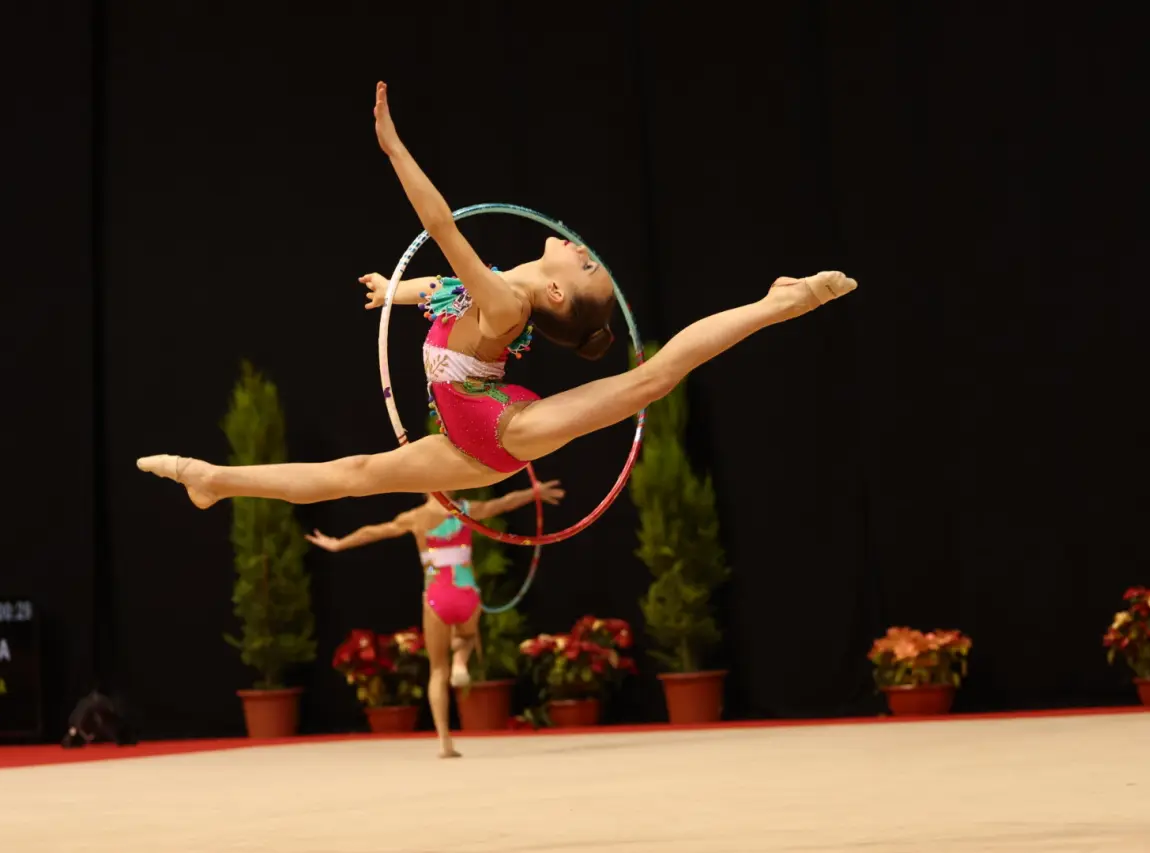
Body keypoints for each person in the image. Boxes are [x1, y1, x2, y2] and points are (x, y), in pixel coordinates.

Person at [136, 80, 857, 514]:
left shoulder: (506, 307)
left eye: (589, 268)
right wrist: (394, 289)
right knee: (352, 476)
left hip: (505, 429)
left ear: (556, 289)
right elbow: (442, 289)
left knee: (652, 378)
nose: (584, 249)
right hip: (467, 436)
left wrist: (394, 151)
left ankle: (778, 302)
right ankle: (213, 480)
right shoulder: (493, 292)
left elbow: (442, 229)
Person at [304, 482, 564, 757]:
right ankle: (461, 662)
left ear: (425, 489)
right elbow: (502, 503)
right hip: (466, 592)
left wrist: (339, 544)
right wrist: (533, 493)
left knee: (438, 670)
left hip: (437, 596)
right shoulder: (465, 510)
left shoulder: (415, 518)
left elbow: (374, 531)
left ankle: (445, 742)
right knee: (467, 636)